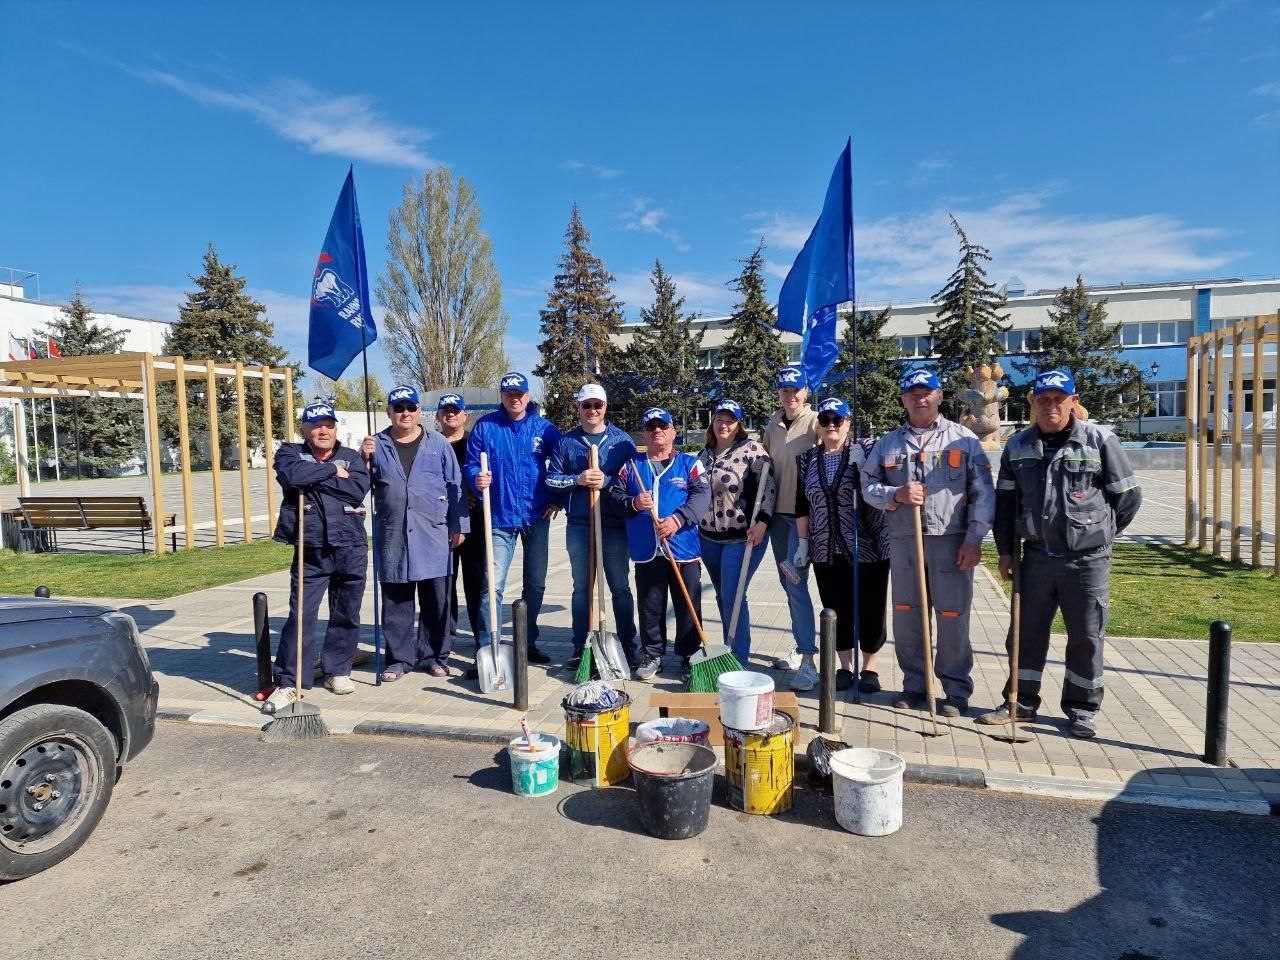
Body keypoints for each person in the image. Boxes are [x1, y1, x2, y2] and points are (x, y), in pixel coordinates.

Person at [978, 369, 1142, 739]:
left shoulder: (1100, 441)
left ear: (1073, 400)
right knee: (1025, 632)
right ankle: (1020, 702)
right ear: (1033, 403)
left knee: (1086, 634)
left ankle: (1082, 709)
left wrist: (1099, 534)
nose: (1051, 405)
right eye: (1043, 399)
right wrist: (1005, 551)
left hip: (1086, 561)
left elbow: (1128, 497)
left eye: (1058, 398)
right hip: (1036, 557)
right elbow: (1005, 504)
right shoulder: (1018, 446)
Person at [861, 369, 995, 717]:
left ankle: (955, 690)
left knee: (952, 616)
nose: (920, 398)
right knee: (908, 616)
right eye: (913, 393)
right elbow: (868, 485)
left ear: (939, 396)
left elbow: (983, 493)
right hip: (905, 540)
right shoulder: (888, 443)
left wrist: (975, 538)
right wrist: (897, 493)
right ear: (903, 399)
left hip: (951, 541)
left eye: (927, 392)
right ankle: (915, 685)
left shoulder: (963, 439)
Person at [264, 401, 371, 712]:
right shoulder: (289, 453)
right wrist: (330, 471)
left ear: (336, 428)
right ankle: (288, 681)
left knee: (346, 612)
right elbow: (291, 476)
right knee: (301, 616)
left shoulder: (351, 457)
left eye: (329, 424)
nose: (323, 430)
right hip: (311, 548)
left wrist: (314, 477)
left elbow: (355, 490)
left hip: (350, 545)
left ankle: (338, 669)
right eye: (315, 425)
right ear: (304, 430)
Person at [361, 386, 469, 680]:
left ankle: (434, 656)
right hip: (393, 534)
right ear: (389, 412)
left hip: (433, 533)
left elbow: (455, 486)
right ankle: (399, 659)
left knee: (437, 599)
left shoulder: (438, 444)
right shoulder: (377, 444)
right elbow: (360, 486)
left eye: (411, 407)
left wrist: (460, 525)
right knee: (397, 600)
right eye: (399, 408)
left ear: (420, 411)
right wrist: (364, 459)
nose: (405, 413)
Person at [793, 398, 891, 693]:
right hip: (824, 547)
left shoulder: (867, 450)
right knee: (836, 608)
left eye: (838, 420)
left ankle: (869, 667)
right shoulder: (807, 459)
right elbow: (802, 504)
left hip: (868, 545)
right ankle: (845, 666)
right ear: (818, 425)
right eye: (825, 420)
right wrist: (802, 543)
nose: (832, 426)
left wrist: (865, 468)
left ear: (848, 423)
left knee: (872, 607)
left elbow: (881, 488)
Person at [463, 372, 561, 667]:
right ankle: (488, 646)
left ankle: (526, 642)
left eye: (519, 394)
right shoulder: (486, 427)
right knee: (491, 585)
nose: (514, 399)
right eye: (508, 394)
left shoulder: (544, 429)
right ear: (502, 397)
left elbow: (561, 464)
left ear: (527, 396)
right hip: (499, 516)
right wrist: (475, 478)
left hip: (536, 516)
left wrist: (558, 498)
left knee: (536, 584)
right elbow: (470, 464)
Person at [608, 407, 711, 684]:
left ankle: (689, 656)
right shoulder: (631, 467)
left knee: (688, 605)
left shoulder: (690, 465)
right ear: (644, 433)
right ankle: (652, 653)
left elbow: (702, 498)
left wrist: (678, 520)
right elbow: (614, 497)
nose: (657, 432)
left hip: (682, 549)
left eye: (662, 427)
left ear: (673, 432)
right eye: (651, 427)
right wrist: (633, 503)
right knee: (650, 606)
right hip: (646, 550)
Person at [545, 383, 639, 671]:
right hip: (580, 526)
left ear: (605, 407)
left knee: (620, 587)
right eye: (587, 405)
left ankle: (629, 647)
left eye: (597, 405)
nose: (592, 411)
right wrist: (579, 480)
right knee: (581, 590)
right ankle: (580, 646)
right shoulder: (567, 442)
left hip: (613, 525)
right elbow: (551, 479)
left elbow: (633, 482)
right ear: (579, 408)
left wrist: (608, 482)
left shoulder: (622, 442)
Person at [695, 399, 775, 666]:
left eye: (730, 420)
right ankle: (730, 647)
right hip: (708, 539)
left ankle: (739, 658)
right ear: (713, 422)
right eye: (719, 419)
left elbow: (768, 489)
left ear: (738, 424)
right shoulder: (704, 454)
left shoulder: (752, 451)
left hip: (742, 537)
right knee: (722, 595)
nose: (724, 424)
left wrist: (763, 522)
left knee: (734, 596)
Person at [764, 366, 820, 689]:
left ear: (806, 392)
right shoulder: (773, 424)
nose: (791, 395)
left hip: (806, 520)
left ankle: (809, 661)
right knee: (790, 587)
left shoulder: (814, 423)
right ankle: (802, 647)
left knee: (796, 586)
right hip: (778, 520)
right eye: (785, 390)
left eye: (796, 390)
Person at [436, 392, 487, 661]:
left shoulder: (474, 444)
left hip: (474, 523)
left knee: (477, 584)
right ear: (439, 416)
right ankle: (444, 642)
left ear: (465, 415)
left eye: (455, 411)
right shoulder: (430, 444)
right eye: (445, 411)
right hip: (439, 524)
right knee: (444, 585)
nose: (450, 415)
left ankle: (483, 640)